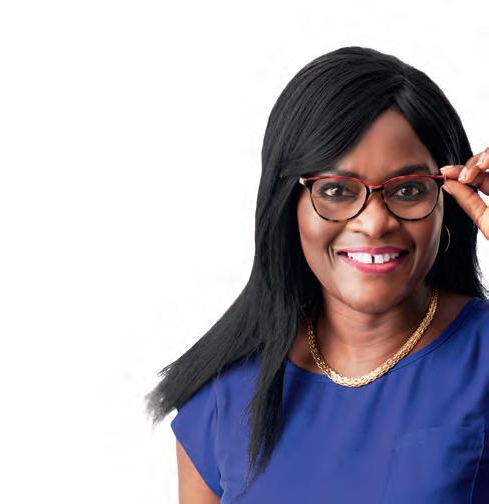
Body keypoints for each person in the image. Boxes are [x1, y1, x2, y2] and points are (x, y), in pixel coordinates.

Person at [145, 46, 489, 503]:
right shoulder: (222, 395)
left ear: (450, 201)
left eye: (408, 190)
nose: (375, 222)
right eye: (336, 191)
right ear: (289, 206)